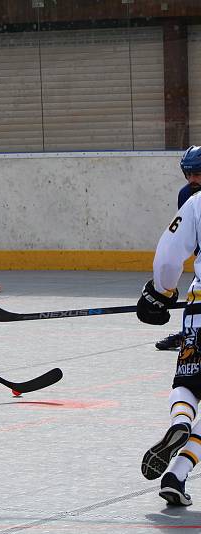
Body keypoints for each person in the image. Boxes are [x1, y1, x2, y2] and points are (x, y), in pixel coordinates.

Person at [137, 145, 201, 506]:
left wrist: (160, 292)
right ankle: (177, 472)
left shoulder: (195, 204)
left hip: (199, 307)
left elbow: (168, 255)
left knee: (189, 380)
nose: (193, 180)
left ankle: (179, 423)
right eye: (189, 173)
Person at [156, 152, 201, 350]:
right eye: (188, 173)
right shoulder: (186, 195)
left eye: (198, 173)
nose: (192, 179)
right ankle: (188, 334)